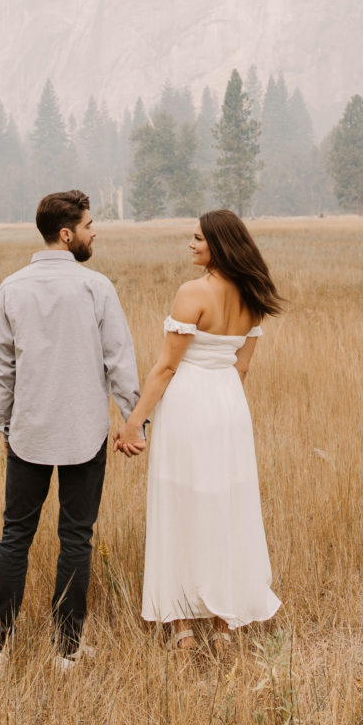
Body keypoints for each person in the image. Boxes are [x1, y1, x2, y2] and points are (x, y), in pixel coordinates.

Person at [0, 189, 142, 671]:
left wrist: (5, 421)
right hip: (85, 432)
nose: (96, 232)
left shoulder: (11, 288)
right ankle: (66, 650)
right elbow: (120, 360)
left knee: (15, 535)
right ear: (67, 234)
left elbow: (1, 367)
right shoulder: (97, 288)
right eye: (90, 225)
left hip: (28, 430)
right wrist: (135, 420)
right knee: (76, 538)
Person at [114, 209, 283, 651]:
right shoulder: (253, 296)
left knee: (179, 503)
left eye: (197, 239)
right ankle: (225, 626)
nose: (191, 245)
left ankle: (183, 625)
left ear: (219, 245)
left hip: (189, 404)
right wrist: (223, 404)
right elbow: (241, 369)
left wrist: (134, 423)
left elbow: (167, 366)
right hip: (229, 407)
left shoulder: (193, 292)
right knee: (227, 505)